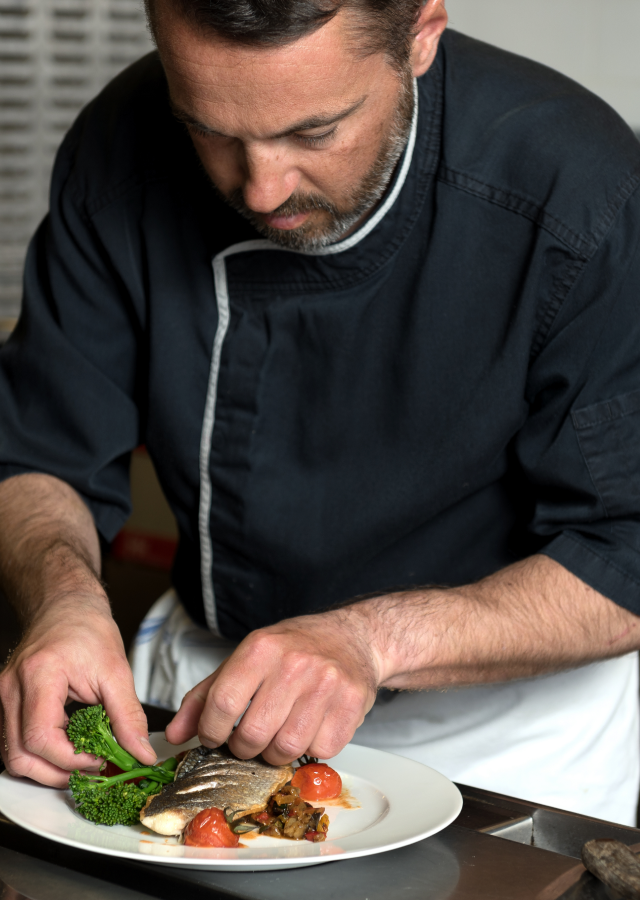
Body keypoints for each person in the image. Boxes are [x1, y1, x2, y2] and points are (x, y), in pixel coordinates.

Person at [1, 0, 640, 825]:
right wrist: (63, 599)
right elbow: (37, 446)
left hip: (508, 737)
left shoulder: (580, 187)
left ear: (421, 33)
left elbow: (628, 555)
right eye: (209, 130)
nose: (260, 188)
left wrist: (375, 641)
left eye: (315, 131)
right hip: (208, 696)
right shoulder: (117, 142)